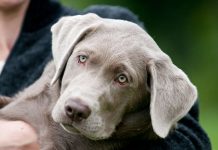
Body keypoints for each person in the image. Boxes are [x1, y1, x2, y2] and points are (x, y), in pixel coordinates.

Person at [0, 0, 211, 149]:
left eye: (122, 78)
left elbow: (191, 142)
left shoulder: (110, 27)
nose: (78, 103)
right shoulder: (73, 36)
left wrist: (31, 138)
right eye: (82, 59)